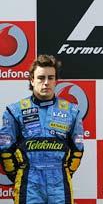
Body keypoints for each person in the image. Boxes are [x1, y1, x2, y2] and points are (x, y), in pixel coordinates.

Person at [0, 54, 84, 204]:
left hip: (59, 183)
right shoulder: (15, 111)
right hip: (29, 182)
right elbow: (5, 150)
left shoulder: (71, 111)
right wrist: (20, 174)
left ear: (56, 81)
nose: (46, 83)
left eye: (50, 78)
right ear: (32, 80)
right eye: (41, 78)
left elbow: (77, 149)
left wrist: (63, 173)